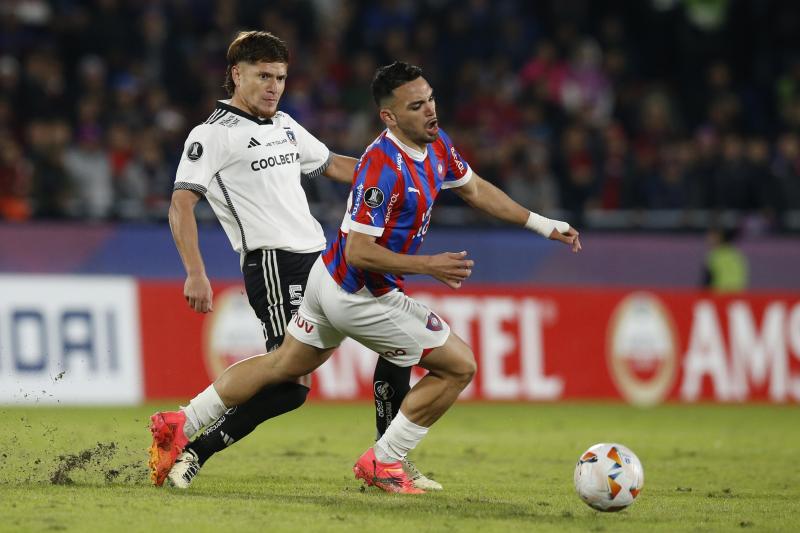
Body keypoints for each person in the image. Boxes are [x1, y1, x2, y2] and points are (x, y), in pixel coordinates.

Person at [149, 61, 581, 494]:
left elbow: (475, 188)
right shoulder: (381, 165)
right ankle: (386, 460)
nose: (430, 110)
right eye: (417, 105)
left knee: (287, 365)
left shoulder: (435, 145)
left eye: (430, 99)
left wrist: (545, 224)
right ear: (389, 117)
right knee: (458, 366)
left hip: (324, 271)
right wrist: (429, 265)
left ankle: (183, 421)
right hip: (355, 291)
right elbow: (359, 249)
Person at [156, 32, 441, 491]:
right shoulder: (212, 134)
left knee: (399, 344)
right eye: (263, 76)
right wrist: (195, 271)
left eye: (281, 77)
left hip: (324, 261)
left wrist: (410, 172)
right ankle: (186, 436)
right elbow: (181, 204)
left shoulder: (285, 124)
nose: (274, 86)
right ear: (236, 75)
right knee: (289, 383)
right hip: (275, 263)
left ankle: (387, 461)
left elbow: (335, 165)